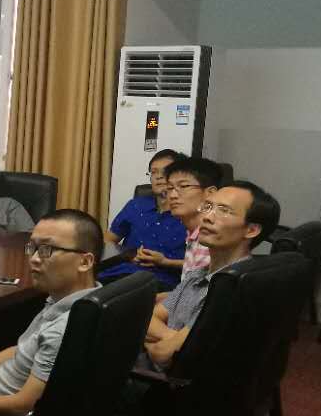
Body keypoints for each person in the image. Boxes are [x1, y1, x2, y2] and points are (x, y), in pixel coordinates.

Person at [0, 209, 102, 416]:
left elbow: (22, 407)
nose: (34, 259)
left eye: (47, 250)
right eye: (33, 248)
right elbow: (19, 350)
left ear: (85, 262)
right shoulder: (80, 297)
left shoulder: (64, 329)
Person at [142, 181, 280, 370]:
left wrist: (158, 344)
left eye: (224, 210)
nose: (207, 217)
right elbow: (149, 318)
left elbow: (163, 355)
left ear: (251, 230)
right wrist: (175, 339)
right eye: (207, 207)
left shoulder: (231, 288)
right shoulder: (198, 273)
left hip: (169, 381)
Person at [99, 149, 187, 290]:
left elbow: (201, 266)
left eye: (165, 171)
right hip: (117, 273)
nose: (158, 177)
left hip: (159, 281)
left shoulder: (189, 214)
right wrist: (127, 255)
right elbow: (107, 240)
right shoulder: (136, 205)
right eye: (154, 172)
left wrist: (165, 262)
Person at [163, 156, 223, 277]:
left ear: (210, 193)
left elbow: (200, 290)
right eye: (170, 188)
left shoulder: (211, 239)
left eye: (184, 186)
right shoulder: (194, 233)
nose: (173, 195)